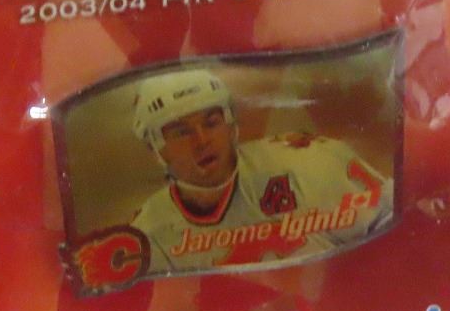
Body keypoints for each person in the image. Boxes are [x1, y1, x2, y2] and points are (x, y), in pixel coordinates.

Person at [124, 68, 393, 278]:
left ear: (231, 125)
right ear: (155, 149)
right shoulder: (147, 235)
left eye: (212, 122)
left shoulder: (304, 162)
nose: (202, 141)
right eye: (182, 132)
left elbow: (388, 227)